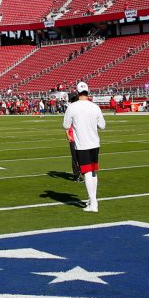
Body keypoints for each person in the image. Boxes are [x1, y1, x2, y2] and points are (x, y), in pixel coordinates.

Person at [62, 81, 105, 213]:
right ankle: (93, 200)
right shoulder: (94, 107)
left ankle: (93, 203)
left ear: (77, 92)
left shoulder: (72, 107)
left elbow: (65, 125)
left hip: (82, 144)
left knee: (87, 172)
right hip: (94, 143)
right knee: (93, 172)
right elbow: (102, 126)